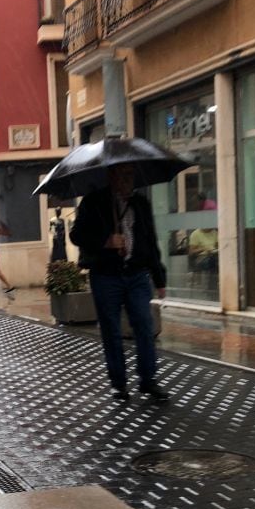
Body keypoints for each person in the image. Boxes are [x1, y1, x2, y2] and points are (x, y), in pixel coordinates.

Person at [70, 164, 168, 403]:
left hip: (136, 275)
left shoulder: (140, 204)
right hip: (106, 276)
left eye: (131, 176)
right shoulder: (93, 202)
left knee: (145, 327)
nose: (128, 181)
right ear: (111, 177)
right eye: (123, 176)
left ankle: (148, 380)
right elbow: (77, 235)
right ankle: (119, 384)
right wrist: (106, 241)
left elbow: (150, 241)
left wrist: (159, 277)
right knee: (111, 331)